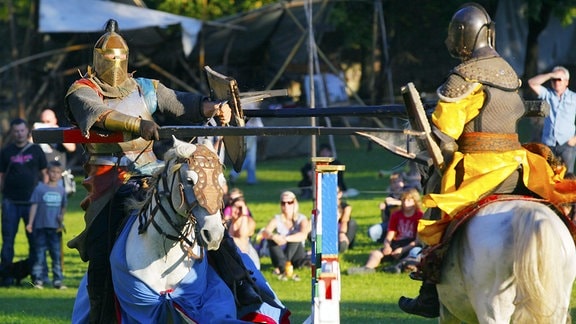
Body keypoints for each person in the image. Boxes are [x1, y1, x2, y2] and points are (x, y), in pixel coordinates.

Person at [64, 19, 261, 323]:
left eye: (119, 59)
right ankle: (101, 315)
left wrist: (212, 107)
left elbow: (181, 103)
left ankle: (240, 284)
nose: (115, 65)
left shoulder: (145, 88)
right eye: (109, 59)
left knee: (204, 212)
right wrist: (137, 124)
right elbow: (98, 114)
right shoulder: (82, 90)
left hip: (151, 170)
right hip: (109, 182)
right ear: (97, 59)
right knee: (101, 249)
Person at [398, 3, 576, 318]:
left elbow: (446, 130)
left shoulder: (463, 76)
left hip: (479, 168)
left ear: (462, 36)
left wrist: (434, 132)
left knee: (438, 193)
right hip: (519, 165)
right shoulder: (509, 72)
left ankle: (428, 289)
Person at [0, 118, 48, 286]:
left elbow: (45, 174)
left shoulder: (36, 150)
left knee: (35, 241)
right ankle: (5, 276)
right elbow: (1, 176)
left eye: (22, 130)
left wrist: (44, 196)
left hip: (32, 204)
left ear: (27, 131)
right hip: (10, 202)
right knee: (8, 241)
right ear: (12, 133)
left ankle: (37, 276)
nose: (19, 134)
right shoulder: (6, 152)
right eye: (16, 131)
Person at [347, 189, 423, 275]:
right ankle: (368, 268)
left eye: (409, 200)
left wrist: (402, 250)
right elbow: (389, 235)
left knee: (416, 252)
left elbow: (417, 241)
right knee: (375, 253)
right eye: (404, 200)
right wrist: (387, 246)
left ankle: (398, 267)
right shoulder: (396, 215)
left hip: (410, 245)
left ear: (415, 202)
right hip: (397, 243)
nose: (406, 203)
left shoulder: (419, 216)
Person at [26, 161, 67, 290]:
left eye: (58, 172)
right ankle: (38, 280)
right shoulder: (40, 188)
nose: (55, 174)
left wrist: (61, 217)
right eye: (52, 172)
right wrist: (30, 223)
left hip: (54, 228)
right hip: (40, 227)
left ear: (61, 175)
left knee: (56, 255)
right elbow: (34, 205)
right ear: (47, 172)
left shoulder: (62, 190)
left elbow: (63, 206)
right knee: (39, 254)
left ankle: (57, 281)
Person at [528, 66, 576, 173]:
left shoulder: (574, 98)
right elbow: (532, 82)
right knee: (547, 174)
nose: (556, 82)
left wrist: (575, 138)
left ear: (566, 82)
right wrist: (550, 75)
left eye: (559, 79)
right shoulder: (547, 94)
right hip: (548, 144)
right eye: (554, 79)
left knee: (568, 177)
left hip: (567, 145)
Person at [261, 191, 310, 280]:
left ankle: (282, 268)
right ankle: (284, 269)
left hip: (296, 255)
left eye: (289, 202)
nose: (286, 205)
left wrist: (286, 238)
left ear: (295, 203)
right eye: (283, 203)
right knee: (271, 240)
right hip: (279, 254)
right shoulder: (277, 219)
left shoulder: (301, 218)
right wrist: (273, 236)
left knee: (295, 237)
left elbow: (303, 235)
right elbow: (265, 232)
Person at [368, 172, 405, 243]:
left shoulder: (407, 193)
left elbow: (413, 205)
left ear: (403, 182)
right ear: (391, 185)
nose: (396, 184)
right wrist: (383, 210)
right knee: (372, 231)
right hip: (390, 223)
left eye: (399, 181)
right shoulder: (389, 197)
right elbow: (385, 220)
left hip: (405, 222)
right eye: (394, 182)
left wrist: (396, 202)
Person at [229, 112, 263, 185]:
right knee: (250, 158)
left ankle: (251, 179)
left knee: (250, 158)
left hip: (241, 132)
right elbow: (258, 123)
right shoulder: (253, 105)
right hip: (250, 132)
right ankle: (234, 173)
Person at [227, 195, 260, 269]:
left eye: (240, 208)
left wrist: (244, 214)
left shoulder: (250, 221)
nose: (238, 210)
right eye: (235, 207)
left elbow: (243, 239)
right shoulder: (227, 223)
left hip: (248, 257)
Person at [337, 186, 357, 253]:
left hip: (343, 231)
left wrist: (342, 233)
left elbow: (344, 220)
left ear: (340, 194)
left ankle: (344, 244)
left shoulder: (346, 207)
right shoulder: (324, 206)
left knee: (352, 223)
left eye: (336, 193)